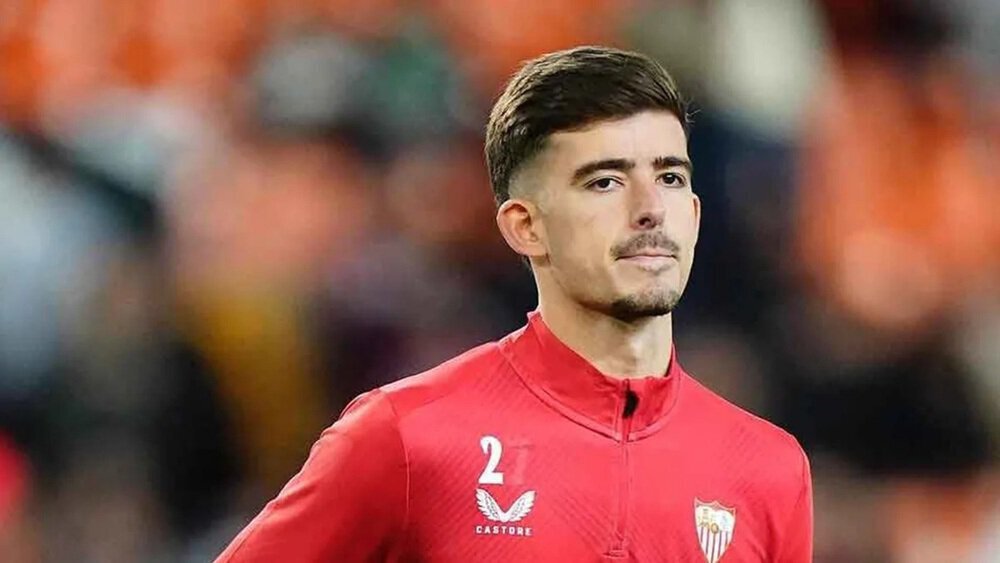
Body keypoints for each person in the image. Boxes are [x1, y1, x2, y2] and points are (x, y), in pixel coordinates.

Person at [216, 45, 812, 563]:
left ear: (696, 215)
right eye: (604, 181)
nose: (650, 209)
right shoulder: (406, 438)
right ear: (526, 227)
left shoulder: (768, 470)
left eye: (670, 178)